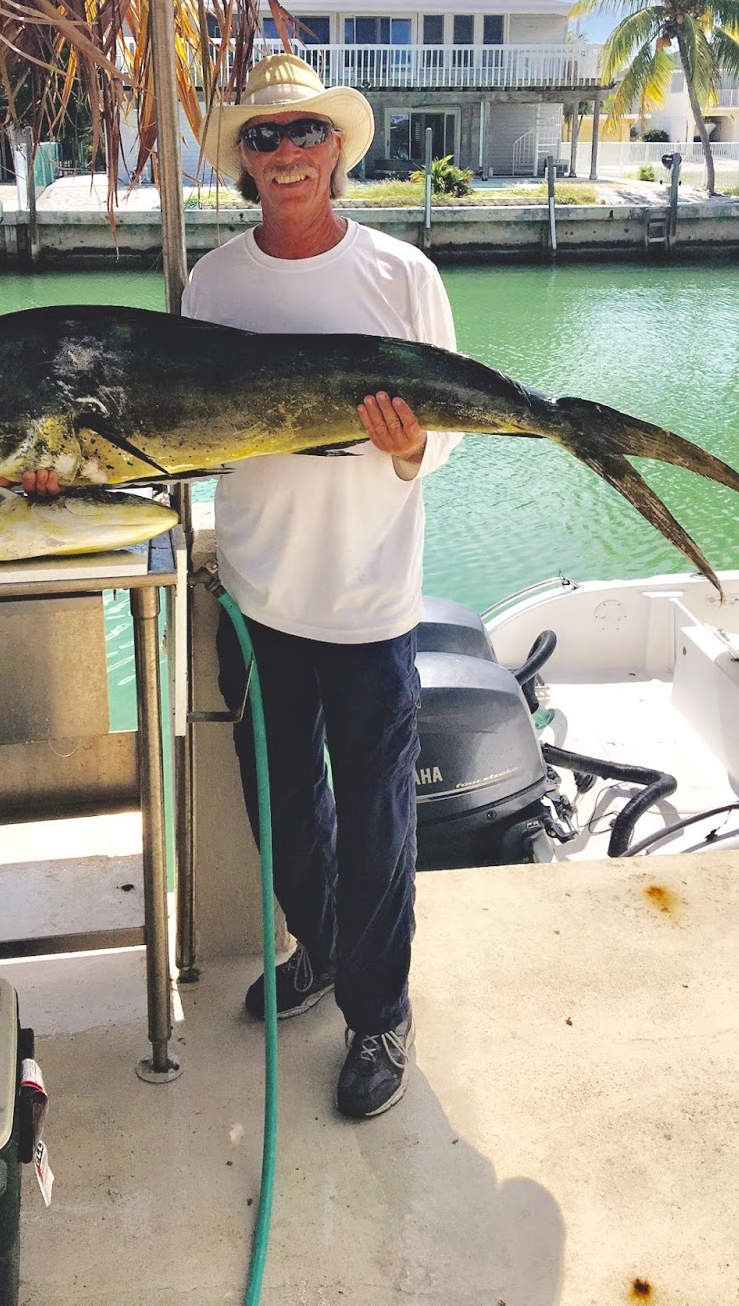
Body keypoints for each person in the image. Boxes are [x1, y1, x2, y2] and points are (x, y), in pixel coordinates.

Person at [186, 54, 461, 1119]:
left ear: (338, 148)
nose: (286, 153)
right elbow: (194, 431)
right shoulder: (213, 284)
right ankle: (317, 944)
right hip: (256, 597)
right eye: (263, 137)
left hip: (370, 604)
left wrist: (406, 449)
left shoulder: (401, 275)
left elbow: (451, 439)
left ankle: (379, 1010)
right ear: (245, 162)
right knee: (282, 808)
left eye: (304, 132)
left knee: (381, 820)